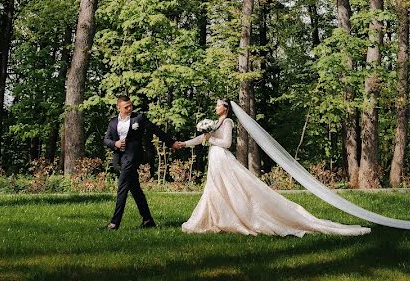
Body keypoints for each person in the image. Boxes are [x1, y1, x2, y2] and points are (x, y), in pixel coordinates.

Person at [172, 98, 369, 237]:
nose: (215, 108)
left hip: (222, 158)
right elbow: (202, 138)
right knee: (214, 190)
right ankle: (214, 218)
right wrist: (185, 144)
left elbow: (227, 144)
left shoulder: (228, 122)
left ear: (225, 108)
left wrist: (212, 140)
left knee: (231, 189)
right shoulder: (215, 123)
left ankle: (238, 217)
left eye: (218, 105)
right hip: (215, 160)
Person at [103, 95, 177, 230]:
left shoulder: (139, 118)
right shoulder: (113, 122)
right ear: (118, 107)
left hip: (132, 157)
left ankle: (114, 223)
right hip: (120, 158)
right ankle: (148, 220)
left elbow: (155, 129)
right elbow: (106, 140)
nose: (130, 108)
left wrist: (171, 143)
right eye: (126, 107)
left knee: (122, 188)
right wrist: (116, 143)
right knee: (135, 190)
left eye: (131, 106)